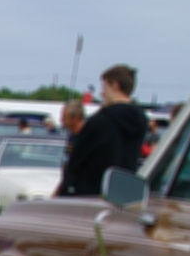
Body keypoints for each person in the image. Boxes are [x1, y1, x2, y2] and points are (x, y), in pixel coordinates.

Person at [55, 64, 146, 197]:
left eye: (104, 87)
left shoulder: (101, 120)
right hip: (124, 194)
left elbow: (76, 161)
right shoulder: (140, 120)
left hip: (91, 195)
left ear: (114, 85)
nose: (102, 93)